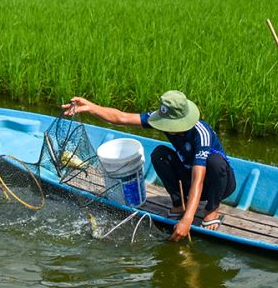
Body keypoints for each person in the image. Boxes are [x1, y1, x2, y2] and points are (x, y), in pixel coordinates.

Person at [62, 90, 236, 242]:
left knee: (215, 161)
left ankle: (211, 210)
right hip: (188, 177)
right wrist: (91, 107)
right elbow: (122, 117)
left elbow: (198, 178)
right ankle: (178, 204)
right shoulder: (162, 119)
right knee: (159, 154)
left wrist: (188, 219)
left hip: (216, 182)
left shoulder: (201, 133)